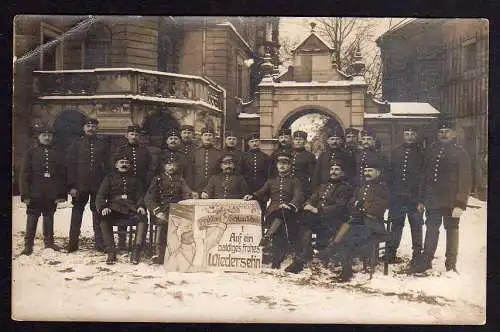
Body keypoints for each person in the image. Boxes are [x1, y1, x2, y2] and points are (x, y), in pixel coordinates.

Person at [409, 118, 472, 275]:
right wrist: (422, 199)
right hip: (433, 200)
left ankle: (451, 265)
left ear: (454, 134)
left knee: (451, 230)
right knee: (431, 230)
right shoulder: (431, 150)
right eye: (441, 132)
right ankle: (426, 262)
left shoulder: (460, 153)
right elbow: (425, 177)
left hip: (451, 201)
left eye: (447, 132)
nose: (443, 134)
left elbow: (465, 180)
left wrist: (460, 203)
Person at [322, 157, 390, 282]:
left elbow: (378, 208)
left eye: (370, 170)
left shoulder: (382, 188)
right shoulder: (361, 187)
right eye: (365, 171)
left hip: (373, 224)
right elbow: (351, 205)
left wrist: (361, 207)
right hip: (358, 222)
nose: (367, 173)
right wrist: (358, 206)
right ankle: (344, 267)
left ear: (378, 173)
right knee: (344, 234)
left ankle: (339, 261)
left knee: (348, 238)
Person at [284, 160, 354, 273]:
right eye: (332, 169)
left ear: (343, 173)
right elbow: (313, 197)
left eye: (337, 170)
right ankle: (306, 253)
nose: (333, 172)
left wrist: (318, 210)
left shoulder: (345, 188)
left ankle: (307, 257)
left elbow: (339, 206)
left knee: (308, 224)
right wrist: (308, 204)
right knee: (301, 224)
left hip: (334, 219)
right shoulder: (323, 185)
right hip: (318, 218)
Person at [244, 152, 304, 269]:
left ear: (290, 166)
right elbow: (262, 192)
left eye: (285, 164)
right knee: (279, 227)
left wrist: (290, 205)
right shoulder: (271, 181)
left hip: (289, 211)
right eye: (280, 163)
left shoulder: (295, 181)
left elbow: (298, 195)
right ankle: (277, 256)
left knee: (280, 231)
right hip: (272, 212)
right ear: (276, 165)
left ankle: (268, 238)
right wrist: (252, 196)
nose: (282, 166)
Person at [19, 126, 67, 255]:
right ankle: (28, 246)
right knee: (32, 218)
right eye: (44, 135)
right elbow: (24, 175)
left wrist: (61, 194)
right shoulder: (30, 153)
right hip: (35, 192)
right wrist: (25, 194)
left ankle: (49, 242)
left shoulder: (57, 153)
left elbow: (62, 175)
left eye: (49, 135)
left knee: (49, 217)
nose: (47, 138)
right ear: (38, 137)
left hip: (51, 193)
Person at [66, 118, 110, 253]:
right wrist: (71, 186)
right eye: (88, 126)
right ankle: (72, 243)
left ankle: (99, 243)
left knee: (97, 212)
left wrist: (106, 186)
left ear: (97, 128)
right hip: (80, 185)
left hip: (98, 185)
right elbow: (70, 165)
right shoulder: (76, 144)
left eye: (93, 126)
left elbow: (107, 166)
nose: (91, 128)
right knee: (77, 212)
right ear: (83, 128)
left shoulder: (103, 144)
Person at [95, 154, 148, 265]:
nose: (124, 165)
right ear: (116, 165)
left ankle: (136, 250)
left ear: (130, 165)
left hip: (131, 209)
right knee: (103, 218)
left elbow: (140, 196)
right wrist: (103, 207)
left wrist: (141, 206)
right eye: (121, 162)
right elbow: (100, 195)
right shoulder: (109, 178)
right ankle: (111, 251)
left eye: (126, 163)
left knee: (142, 217)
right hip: (114, 209)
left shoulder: (135, 179)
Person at [144, 155, 195, 264]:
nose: (171, 167)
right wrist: (157, 211)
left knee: (188, 223)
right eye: (168, 164)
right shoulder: (157, 179)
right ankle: (160, 254)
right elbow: (149, 198)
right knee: (163, 223)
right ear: (164, 166)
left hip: (177, 208)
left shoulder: (180, 179)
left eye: (173, 165)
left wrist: (190, 196)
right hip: (162, 209)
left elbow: (186, 192)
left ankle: (182, 254)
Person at [386, 126, 425, 265]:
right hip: (397, 199)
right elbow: (390, 176)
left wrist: (421, 200)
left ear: (416, 136)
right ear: (403, 135)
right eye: (407, 133)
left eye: (412, 134)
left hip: (414, 199)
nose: (409, 136)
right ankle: (390, 254)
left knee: (416, 226)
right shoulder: (396, 152)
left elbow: (424, 178)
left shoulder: (421, 153)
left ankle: (417, 255)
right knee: (396, 226)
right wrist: (390, 197)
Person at [113, 125, 153, 250]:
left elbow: (150, 168)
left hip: (142, 186)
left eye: (136, 135)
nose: (134, 137)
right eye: (132, 134)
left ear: (139, 136)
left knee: (141, 210)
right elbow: (115, 167)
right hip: (126, 186)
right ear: (127, 135)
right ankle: (122, 241)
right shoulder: (121, 150)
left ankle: (139, 241)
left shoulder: (145, 150)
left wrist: (147, 183)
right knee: (123, 209)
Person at [241, 133, 270, 213]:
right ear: (248, 143)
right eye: (252, 141)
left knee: (261, 211)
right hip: (247, 189)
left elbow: (268, 175)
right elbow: (241, 174)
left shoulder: (266, 157)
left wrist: (266, 192)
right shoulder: (243, 157)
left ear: (260, 142)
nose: (254, 143)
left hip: (261, 190)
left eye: (256, 141)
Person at [190, 127, 222, 192]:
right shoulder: (195, 152)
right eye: (205, 135)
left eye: (210, 135)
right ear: (201, 137)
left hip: (214, 187)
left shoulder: (219, 153)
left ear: (213, 137)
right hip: (197, 186)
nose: (208, 137)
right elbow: (190, 171)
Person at [290, 130, 317, 198]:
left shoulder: (310, 156)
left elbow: (313, 175)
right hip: (289, 186)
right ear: (293, 141)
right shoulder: (289, 154)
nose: (298, 141)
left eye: (300, 139)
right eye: (296, 139)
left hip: (303, 187)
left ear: (305, 141)